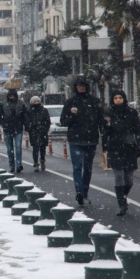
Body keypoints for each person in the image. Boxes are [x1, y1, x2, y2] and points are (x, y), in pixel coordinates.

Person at [59, 75, 105, 207]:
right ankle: (79, 191)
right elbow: (63, 121)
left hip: (91, 140)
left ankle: (84, 192)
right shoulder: (70, 102)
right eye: (79, 86)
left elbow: (101, 121)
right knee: (77, 167)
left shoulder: (95, 102)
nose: (81, 88)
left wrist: (105, 137)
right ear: (75, 87)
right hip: (75, 140)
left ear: (87, 87)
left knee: (88, 168)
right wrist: (71, 115)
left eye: (83, 86)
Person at [102, 89, 140, 216]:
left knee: (129, 180)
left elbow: (138, 129)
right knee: (118, 177)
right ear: (112, 100)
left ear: (124, 99)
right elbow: (105, 131)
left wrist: (139, 144)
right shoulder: (108, 113)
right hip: (115, 148)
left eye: (120, 97)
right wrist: (105, 147)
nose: (118, 100)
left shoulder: (131, 112)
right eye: (115, 98)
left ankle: (124, 195)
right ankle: (121, 204)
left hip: (130, 148)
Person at [0, 88, 27, 173]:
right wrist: (3, 124)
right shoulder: (3, 103)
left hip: (18, 128)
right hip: (7, 129)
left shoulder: (21, 103)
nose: (11, 96)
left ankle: (19, 164)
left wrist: (24, 125)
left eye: (13, 95)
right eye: (10, 95)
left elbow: (25, 115)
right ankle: (12, 165)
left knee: (18, 148)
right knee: (10, 149)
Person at [25, 96, 51, 172]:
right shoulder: (29, 111)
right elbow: (27, 121)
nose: (36, 103)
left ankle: (42, 160)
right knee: (35, 148)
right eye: (34, 101)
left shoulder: (44, 110)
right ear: (32, 102)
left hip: (43, 131)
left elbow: (47, 120)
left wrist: (45, 129)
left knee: (43, 147)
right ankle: (36, 163)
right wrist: (29, 128)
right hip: (33, 132)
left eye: (37, 101)